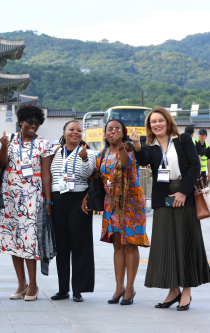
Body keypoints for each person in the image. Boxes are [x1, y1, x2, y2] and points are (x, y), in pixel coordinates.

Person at [131, 107, 210, 311]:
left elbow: (195, 166)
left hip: (184, 195)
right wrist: (136, 145)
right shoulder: (150, 144)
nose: (156, 124)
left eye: (160, 120)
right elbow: (143, 162)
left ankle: (186, 291)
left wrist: (183, 192)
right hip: (162, 198)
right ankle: (173, 290)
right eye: (152, 122)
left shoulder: (183, 139)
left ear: (168, 121)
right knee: (165, 244)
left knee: (185, 242)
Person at [0, 104, 53, 301]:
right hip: (10, 194)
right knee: (13, 240)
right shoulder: (9, 140)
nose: (34, 126)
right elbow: (2, 163)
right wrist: (3, 146)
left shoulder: (44, 143)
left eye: (37, 123)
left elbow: (46, 174)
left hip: (33, 195)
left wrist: (48, 200)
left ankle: (33, 285)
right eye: (30, 122)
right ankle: (21, 284)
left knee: (30, 241)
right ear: (21, 121)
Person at [95, 119, 149, 306]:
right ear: (104, 133)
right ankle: (119, 287)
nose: (113, 131)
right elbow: (98, 177)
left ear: (123, 132)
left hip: (131, 202)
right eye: (110, 129)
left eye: (117, 129)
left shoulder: (129, 148)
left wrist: (119, 145)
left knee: (130, 245)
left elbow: (126, 164)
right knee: (117, 245)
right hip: (112, 204)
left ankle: (130, 287)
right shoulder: (102, 153)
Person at [49, 121, 95, 302]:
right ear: (64, 132)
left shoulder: (89, 153)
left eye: (79, 131)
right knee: (62, 246)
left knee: (79, 244)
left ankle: (78, 289)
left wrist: (83, 159)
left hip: (79, 199)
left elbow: (88, 173)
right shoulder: (55, 152)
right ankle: (62, 289)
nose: (75, 133)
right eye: (72, 130)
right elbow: (52, 175)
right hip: (58, 199)